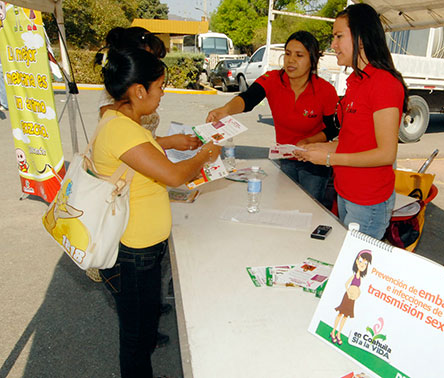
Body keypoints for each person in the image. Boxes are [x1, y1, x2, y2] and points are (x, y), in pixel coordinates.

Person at [94, 46, 221, 378]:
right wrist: (207, 154)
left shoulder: (122, 120)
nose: (162, 94)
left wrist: (171, 142)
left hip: (144, 249)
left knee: (146, 320)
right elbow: (177, 176)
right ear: (139, 91)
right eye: (160, 86)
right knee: (136, 337)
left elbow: (140, 150)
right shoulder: (121, 129)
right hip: (133, 253)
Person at [295, 3, 408, 239]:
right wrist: (318, 148)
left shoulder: (384, 84)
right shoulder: (357, 82)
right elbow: (355, 142)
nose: (333, 44)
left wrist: (328, 158)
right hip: (346, 192)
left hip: (368, 201)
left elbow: (386, 154)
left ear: (361, 37)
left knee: (353, 272)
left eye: (338, 36)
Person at [206, 31, 339, 205]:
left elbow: (332, 128)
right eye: (288, 54)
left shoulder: (325, 90)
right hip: (285, 159)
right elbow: (249, 98)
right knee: (283, 203)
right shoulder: (273, 79)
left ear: (312, 59)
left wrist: (309, 141)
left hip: (315, 161)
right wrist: (226, 110)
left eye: (299, 55)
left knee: (310, 208)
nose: (291, 60)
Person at [331, 249, 371, 345]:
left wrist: (358, 293)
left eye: (365, 263)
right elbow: (346, 284)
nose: (362, 265)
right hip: (348, 296)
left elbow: (358, 288)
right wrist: (349, 292)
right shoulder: (353, 276)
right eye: (361, 261)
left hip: (353, 298)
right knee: (341, 313)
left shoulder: (360, 278)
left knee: (346, 316)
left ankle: (339, 334)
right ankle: (333, 331)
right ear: (357, 261)